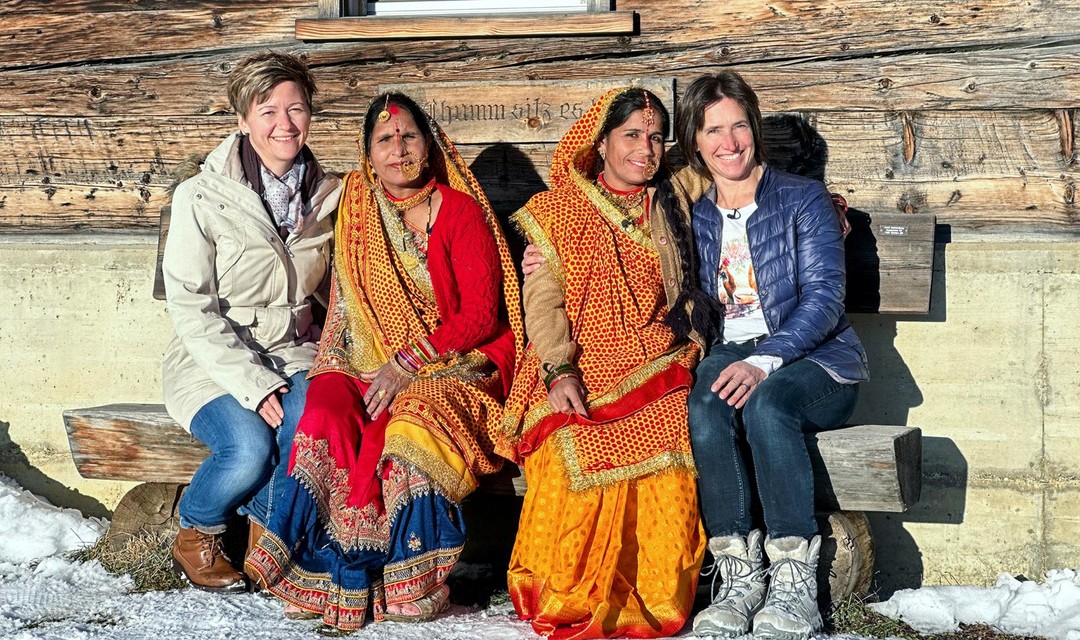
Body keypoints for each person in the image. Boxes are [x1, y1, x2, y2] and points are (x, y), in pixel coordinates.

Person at [244, 91, 523, 635]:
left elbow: (483, 315)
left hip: (461, 362)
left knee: (414, 416)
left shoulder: (459, 212)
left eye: (409, 136)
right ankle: (317, 571)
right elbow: (346, 310)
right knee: (325, 404)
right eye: (385, 140)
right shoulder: (357, 210)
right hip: (369, 354)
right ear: (367, 153)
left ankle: (408, 578)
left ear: (431, 144)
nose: (398, 149)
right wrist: (337, 368)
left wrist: (407, 362)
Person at [500, 87, 706, 639]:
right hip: (574, 362)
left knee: (671, 447)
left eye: (656, 137)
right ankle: (573, 592)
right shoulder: (558, 213)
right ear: (602, 142)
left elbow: (742, 182)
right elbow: (544, 303)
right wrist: (559, 370)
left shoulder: (674, 197)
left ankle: (655, 594)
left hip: (656, 357)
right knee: (576, 446)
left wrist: (819, 206)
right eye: (632, 135)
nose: (647, 148)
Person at [674, 71, 869, 640]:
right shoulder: (693, 212)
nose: (729, 142)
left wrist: (768, 359)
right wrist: (547, 254)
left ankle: (793, 579)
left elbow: (826, 300)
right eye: (714, 130)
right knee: (707, 406)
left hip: (817, 360)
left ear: (754, 130)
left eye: (739, 126)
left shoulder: (802, 199)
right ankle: (738, 574)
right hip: (731, 349)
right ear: (695, 141)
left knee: (765, 407)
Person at [161, 51, 340, 593]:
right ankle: (197, 528)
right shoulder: (201, 196)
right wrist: (255, 385)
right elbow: (194, 308)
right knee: (247, 450)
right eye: (267, 111)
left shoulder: (331, 196)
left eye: (296, 108)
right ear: (242, 118)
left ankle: (280, 542)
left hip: (294, 350)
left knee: (309, 427)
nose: (284, 124)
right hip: (211, 358)